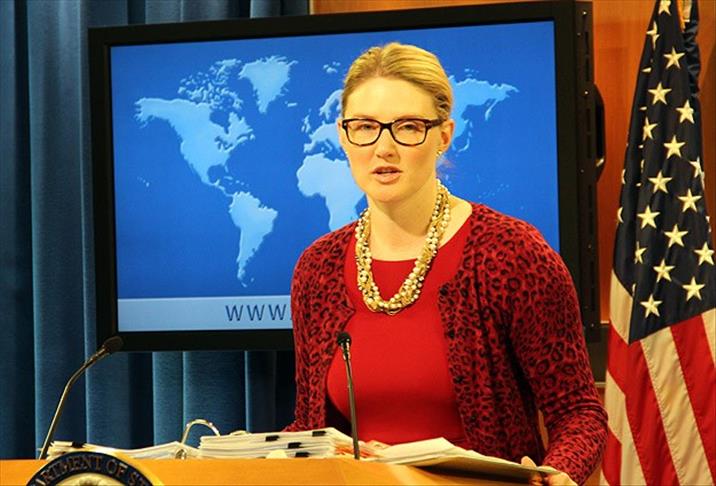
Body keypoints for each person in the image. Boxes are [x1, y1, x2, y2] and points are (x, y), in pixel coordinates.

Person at [286, 42, 607, 485]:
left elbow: (578, 412)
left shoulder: (510, 253)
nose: (384, 148)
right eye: (365, 127)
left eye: (408, 127)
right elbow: (310, 428)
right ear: (343, 136)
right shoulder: (317, 268)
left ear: (443, 135)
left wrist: (561, 472)